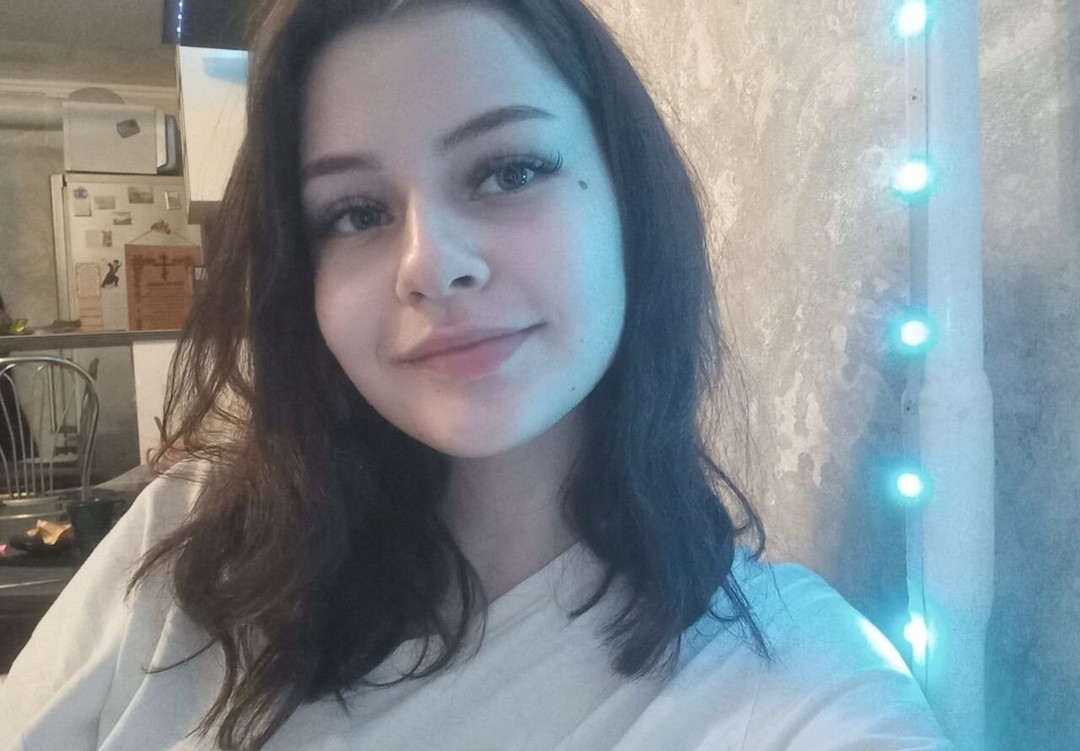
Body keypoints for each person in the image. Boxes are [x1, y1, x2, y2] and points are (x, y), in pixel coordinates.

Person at [0, 1, 954, 749]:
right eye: (355, 213)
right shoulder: (184, 552)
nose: (430, 264)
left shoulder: (794, 676)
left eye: (508, 170)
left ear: (627, 205)